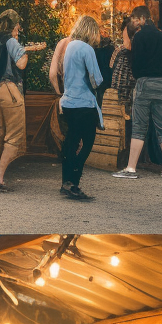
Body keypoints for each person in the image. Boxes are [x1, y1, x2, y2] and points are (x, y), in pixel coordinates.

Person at [112, 6, 162, 180]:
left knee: (139, 125)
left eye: (135, 18)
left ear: (142, 18)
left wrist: (139, 77)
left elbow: (136, 63)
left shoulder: (139, 37)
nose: (133, 21)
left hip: (145, 82)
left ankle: (131, 168)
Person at [0, 10, 46, 192]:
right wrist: (24, 52)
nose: (19, 30)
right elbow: (21, 63)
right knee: (14, 135)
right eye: (18, 27)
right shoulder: (11, 41)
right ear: (14, 26)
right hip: (10, 90)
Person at [58, 15, 104, 201]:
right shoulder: (87, 49)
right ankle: (74, 181)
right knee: (87, 143)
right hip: (84, 103)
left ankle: (65, 181)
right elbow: (96, 79)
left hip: (69, 101)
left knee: (71, 141)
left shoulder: (70, 46)